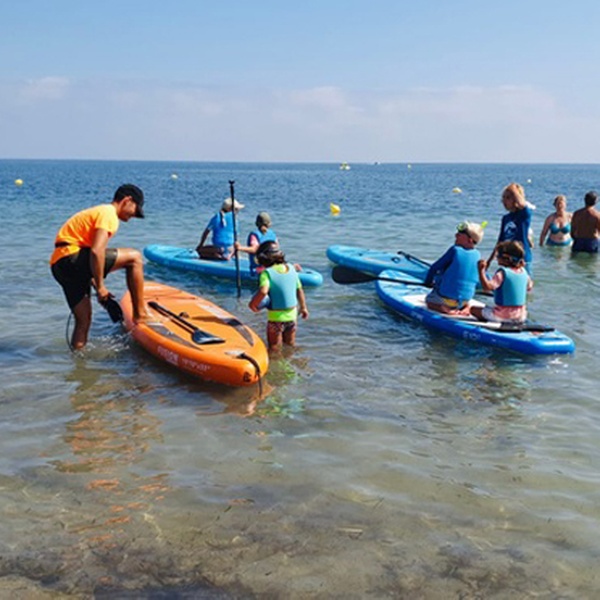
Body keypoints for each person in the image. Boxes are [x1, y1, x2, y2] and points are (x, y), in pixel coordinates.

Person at [50, 183, 148, 350]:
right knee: (135, 257)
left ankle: (78, 361)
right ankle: (140, 315)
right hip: (71, 258)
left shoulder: (99, 212)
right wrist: (101, 287)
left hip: (59, 265)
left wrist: (100, 291)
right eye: (135, 210)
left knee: (83, 320)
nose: (133, 216)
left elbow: (88, 259)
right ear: (127, 200)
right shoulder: (108, 213)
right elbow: (96, 251)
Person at [248, 241, 309, 352]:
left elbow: (263, 291)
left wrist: (253, 305)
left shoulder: (267, 273)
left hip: (276, 318)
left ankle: (277, 363)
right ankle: (289, 362)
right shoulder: (291, 268)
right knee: (290, 345)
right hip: (292, 316)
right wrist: (303, 307)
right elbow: (299, 289)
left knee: (274, 347)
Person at [424, 221, 484, 315]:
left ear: (470, 240)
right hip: (464, 300)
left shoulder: (455, 250)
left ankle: (444, 309)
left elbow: (434, 268)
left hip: (446, 300)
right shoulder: (478, 255)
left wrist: (427, 282)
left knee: (429, 300)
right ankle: (466, 307)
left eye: (460, 235)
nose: (456, 235)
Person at [471, 241, 533, 324]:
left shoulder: (502, 273)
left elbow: (487, 288)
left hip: (502, 316)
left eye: (498, 256)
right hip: (521, 316)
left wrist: (481, 271)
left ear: (506, 258)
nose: (496, 258)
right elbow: (529, 287)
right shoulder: (524, 272)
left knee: (473, 310)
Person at [487, 183, 533, 273]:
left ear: (516, 199)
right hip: (507, 259)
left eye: (508, 198)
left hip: (521, 259)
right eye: (503, 198)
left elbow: (522, 204)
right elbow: (500, 241)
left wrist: (512, 188)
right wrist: (489, 260)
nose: (504, 201)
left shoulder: (523, 215)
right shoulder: (505, 218)